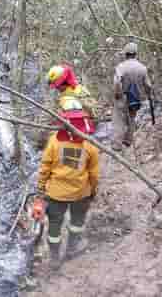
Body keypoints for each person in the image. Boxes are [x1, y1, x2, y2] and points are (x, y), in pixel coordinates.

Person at [36, 109, 100, 271]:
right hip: (81, 193)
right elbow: (94, 174)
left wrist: (40, 190)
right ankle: (71, 249)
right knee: (76, 223)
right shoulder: (89, 144)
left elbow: (45, 168)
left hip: (56, 194)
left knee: (55, 227)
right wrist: (93, 191)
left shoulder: (53, 141)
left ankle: (55, 258)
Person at [112, 42, 153, 150]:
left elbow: (117, 82)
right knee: (132, 118)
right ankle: (128, 141)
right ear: (136, 54)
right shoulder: (142, 68)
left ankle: (117, 145)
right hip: (135, 98)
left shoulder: (121, 67)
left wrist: (117, 94)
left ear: (126, 54)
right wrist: (149, 95)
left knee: (119, 120)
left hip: (122, 96)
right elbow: (148, 85)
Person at [47, 64, 97, 133]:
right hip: (68, 130)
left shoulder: (79, 91)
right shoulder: (61, 97)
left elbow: (92, 111)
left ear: (64, 82)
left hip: (85, 129)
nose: (56, 88)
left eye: (57, 86)